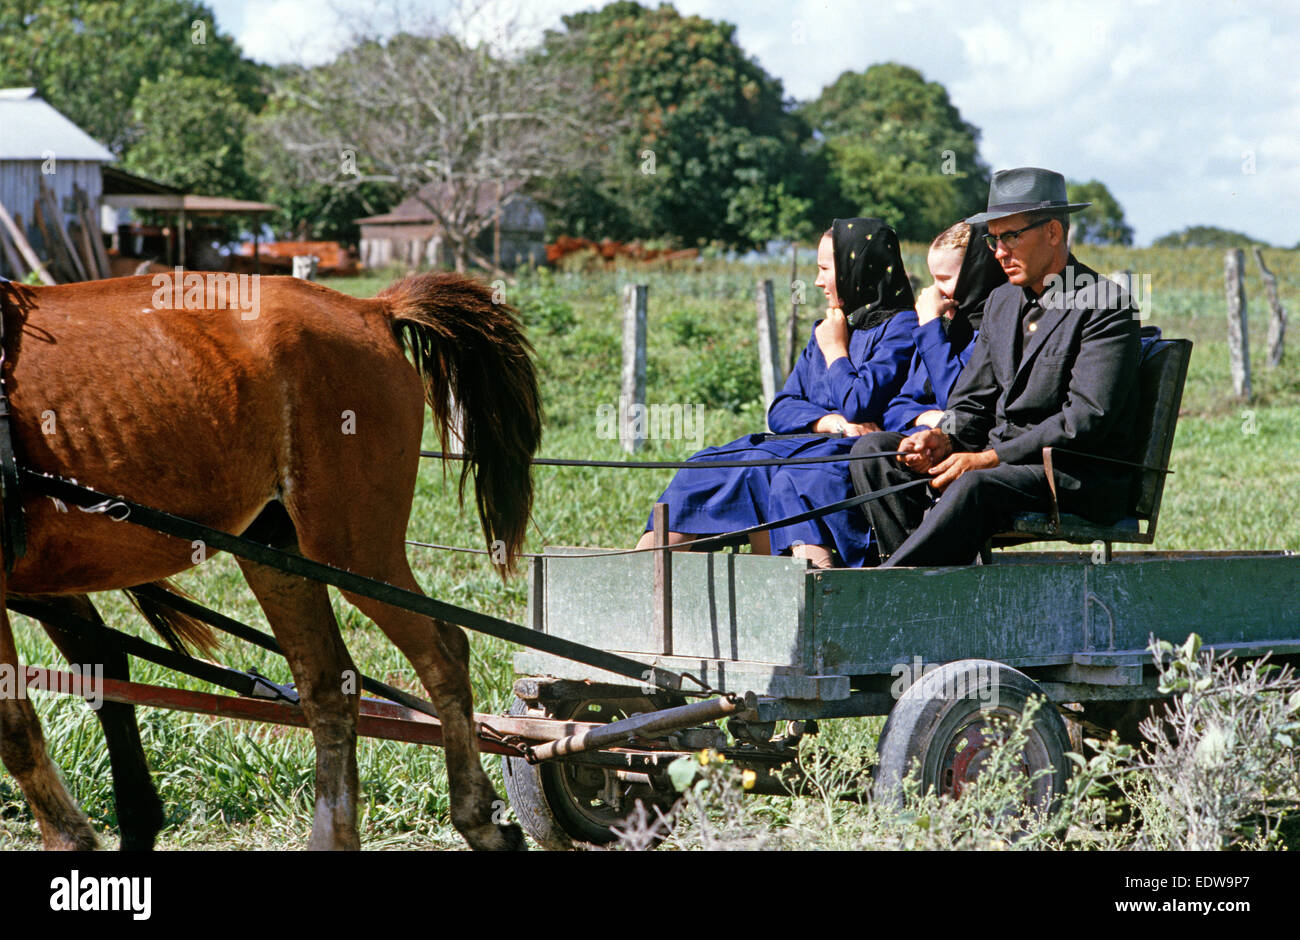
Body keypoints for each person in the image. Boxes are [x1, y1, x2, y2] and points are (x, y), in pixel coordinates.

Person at [849, 166, 1142, 567]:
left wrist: (990, 458)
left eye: (1011, 237)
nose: (999, 252)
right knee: (875, 452)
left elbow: (1084, 421)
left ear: (1053, 232)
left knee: (974, 483)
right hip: (998, 463)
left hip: (1068, 472)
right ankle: (929, 584)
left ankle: (896, 583)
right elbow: (972, 403)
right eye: (994, 239)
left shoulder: (1104, 304)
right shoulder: (1002, 302)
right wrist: (943, 438)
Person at [636, 218, 916, 566]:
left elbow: (860, 404)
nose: (816, 281)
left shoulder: (901, 326)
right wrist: (828, 421)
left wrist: (836, 352)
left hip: (854, 451)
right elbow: (782, 410)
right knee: (705, 465)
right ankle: (637, 576)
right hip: (819, 439)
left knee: (773, 471)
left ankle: (797, 590)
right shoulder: (830, 327)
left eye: (825, 268)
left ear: (857, 267)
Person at [883, 219, 1007, 433]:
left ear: (974, 276)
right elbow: (894, 409)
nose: (935, 290)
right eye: (933, 279)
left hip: (966, 444)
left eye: (944, 279)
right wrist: (928, 418)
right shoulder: (944, 326)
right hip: (921, 434)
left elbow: (958, 402)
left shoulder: (997, 328)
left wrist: (931, 327)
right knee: (872, 447)